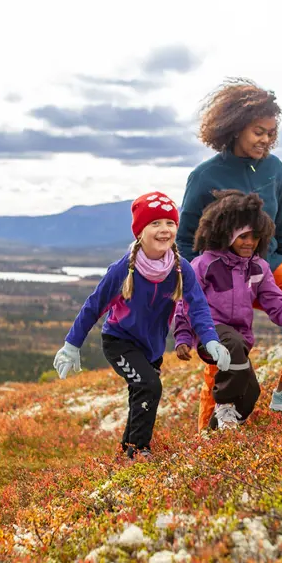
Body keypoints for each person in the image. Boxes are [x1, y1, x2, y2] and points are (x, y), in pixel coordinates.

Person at [177, 77, 282, 428]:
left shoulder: (275, 169)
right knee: (223, 358)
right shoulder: (204, 177)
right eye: (258, 131)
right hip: (219, 279)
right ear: (233, 128)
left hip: (265, 269)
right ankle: (209, 436)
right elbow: (185, 240)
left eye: (270, 133)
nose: (265, 139)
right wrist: (193, 293)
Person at [53, 191, 232, 460]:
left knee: (142, 392)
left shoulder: (181, 268)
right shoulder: (123, 269)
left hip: (153, 348)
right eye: (155, 223)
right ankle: (139, 451)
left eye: (170, 223)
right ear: (140, 231)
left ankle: (126, 452)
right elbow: (94, 305)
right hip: (120, 342)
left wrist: (210, 339)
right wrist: (71, 345)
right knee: (149, 386)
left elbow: (198, 307)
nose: (164, 229)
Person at [173, 189, 282, 431]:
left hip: (240, 340)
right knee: (231, 344)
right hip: (210, 333)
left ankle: (215, 436)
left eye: (255, 237)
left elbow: (273, 299)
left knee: (250, 393)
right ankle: (223, 405)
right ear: (226, 235)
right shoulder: (204, 264)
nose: (250, 242)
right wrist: (183, 336)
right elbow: (186, 302)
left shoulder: (259, 268)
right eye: (243, 236)